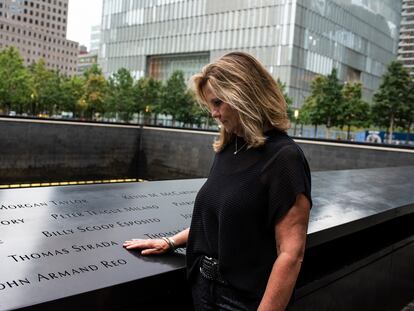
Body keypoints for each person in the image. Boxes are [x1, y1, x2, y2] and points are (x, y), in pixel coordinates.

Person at [123, 52, 312, 311]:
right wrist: (169, 241)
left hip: (243, 302)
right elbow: (221, 223)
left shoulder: (284, 158)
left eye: (218, 103)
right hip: (203, 289)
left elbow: (291, 255)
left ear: (244, 96)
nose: (213, 113)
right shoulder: (229, 148)